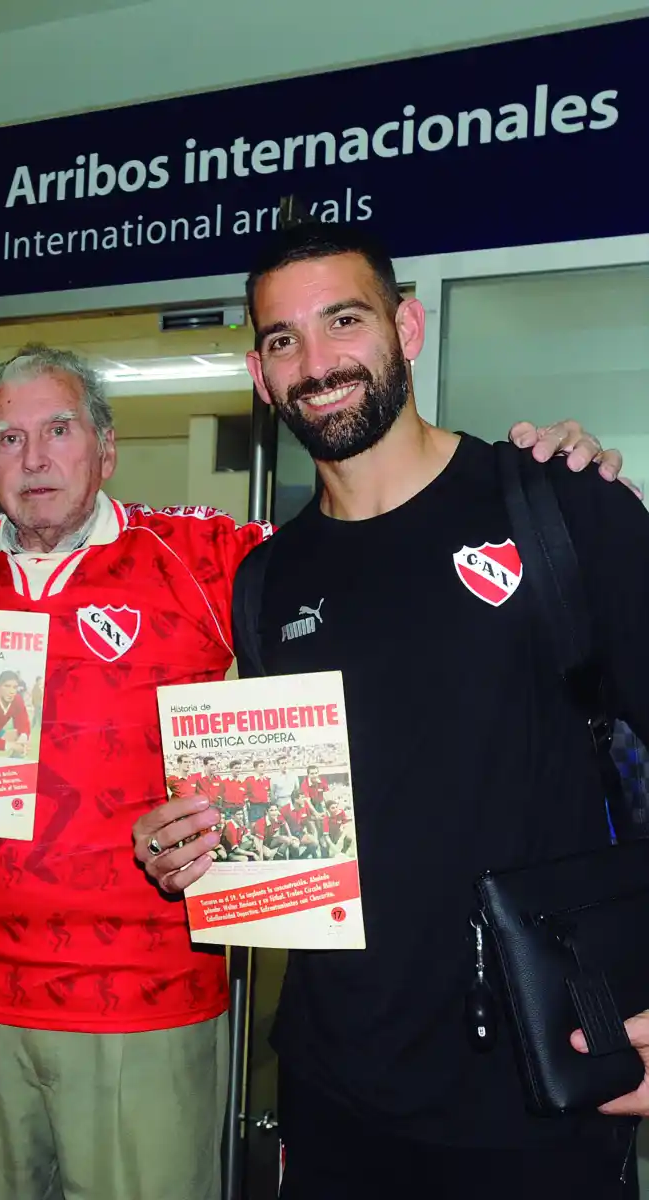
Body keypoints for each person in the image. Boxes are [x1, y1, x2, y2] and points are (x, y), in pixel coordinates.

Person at [0, 336, 621, 1200]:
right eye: (6, 437)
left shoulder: (207, 555)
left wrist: (537, 486)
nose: (34, 459)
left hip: (138, 996)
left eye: (58, 430)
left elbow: (366, 554)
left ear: (105, 447)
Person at [135, 222, 649, 1200]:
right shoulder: (266, 579)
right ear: (257, 371)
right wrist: (191, 849)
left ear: (404, 327)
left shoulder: (556, 505)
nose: (315, 362)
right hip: (334, 1093)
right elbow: (295, 821)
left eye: (342, 321)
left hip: (534, 1092)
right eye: (282, 338)